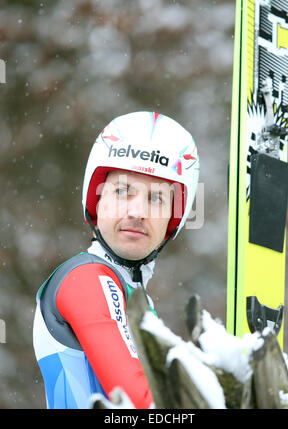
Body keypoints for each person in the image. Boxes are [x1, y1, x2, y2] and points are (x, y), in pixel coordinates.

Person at [33, 111, 199, 409]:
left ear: (172, 220)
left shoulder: (135, 297)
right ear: (97, 201)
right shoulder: (87, 279)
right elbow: (143, 404)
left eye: (156, 198)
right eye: (123, 191)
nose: (137, 212)